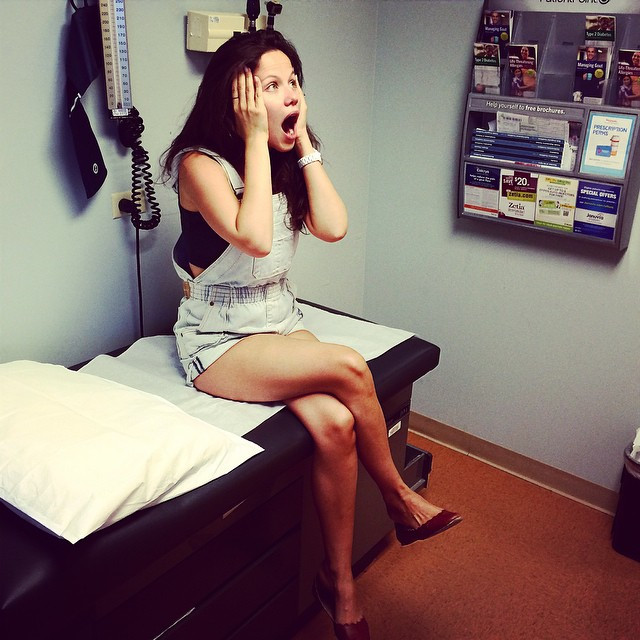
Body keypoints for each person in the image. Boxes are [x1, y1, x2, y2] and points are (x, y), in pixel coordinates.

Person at [161, 30, 461, 640]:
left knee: (336, 424)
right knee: (349, 366)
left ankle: (336, 581)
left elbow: (333, 226)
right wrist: (254, 139)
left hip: (279, 321)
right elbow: (254, 238)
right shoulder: (199, 166)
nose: (291, 94)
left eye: (294, 81)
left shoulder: (283, 158)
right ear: (238, 99)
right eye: (272, 86)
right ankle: (399, 498)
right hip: (218, 341)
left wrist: (303, 147)